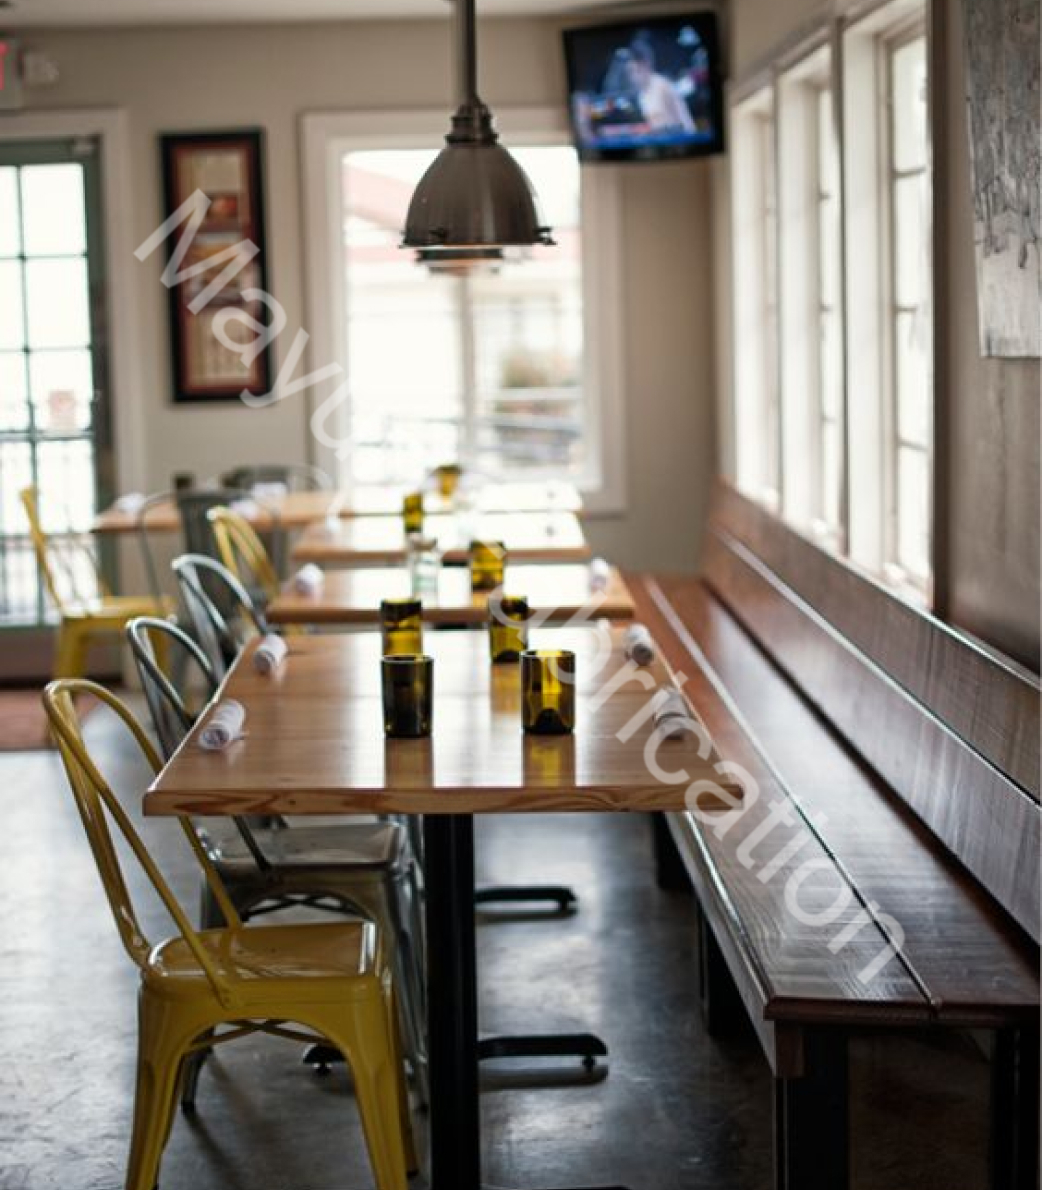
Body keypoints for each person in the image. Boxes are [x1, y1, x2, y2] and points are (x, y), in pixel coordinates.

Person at [625, 37, 695, 135]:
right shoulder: (642, 93)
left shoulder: (664, 86)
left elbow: (687, 123)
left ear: (646, 65)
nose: (632, 78)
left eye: (635, 71)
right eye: (630, 73)